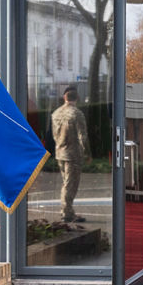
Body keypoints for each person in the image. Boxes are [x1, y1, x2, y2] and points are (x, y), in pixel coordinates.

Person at [50, 86, 91, 223]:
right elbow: (82, 137)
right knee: (70, 184)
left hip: (60, 152)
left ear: (64, 98)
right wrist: (87, 153)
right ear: (77, 98)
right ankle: (67, 212)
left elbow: (54, 134)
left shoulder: (56, 113)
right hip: (72, 154)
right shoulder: (77, 114)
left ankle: (67, 210)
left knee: (66, 182)